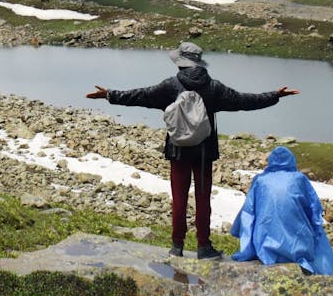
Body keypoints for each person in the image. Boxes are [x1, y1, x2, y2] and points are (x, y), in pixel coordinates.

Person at [87, 42, 299, 260]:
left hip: (178, 150)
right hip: (204, 152)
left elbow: (141, 95)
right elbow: (244, 100)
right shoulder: (214, 87)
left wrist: (109, 95)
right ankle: (203, 247)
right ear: (199, 63)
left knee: (179, 199)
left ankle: (176, 246)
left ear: (180, 63)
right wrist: (275, 95)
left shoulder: (170, 85)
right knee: (203, 199)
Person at [230, 145, 333, 275]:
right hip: (298, 247)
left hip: (264, 247)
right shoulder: (299, 179)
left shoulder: (260, 180)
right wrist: (315, 231)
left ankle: (272, 250)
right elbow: (314, 209)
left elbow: (247, 213)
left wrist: (237, 232)